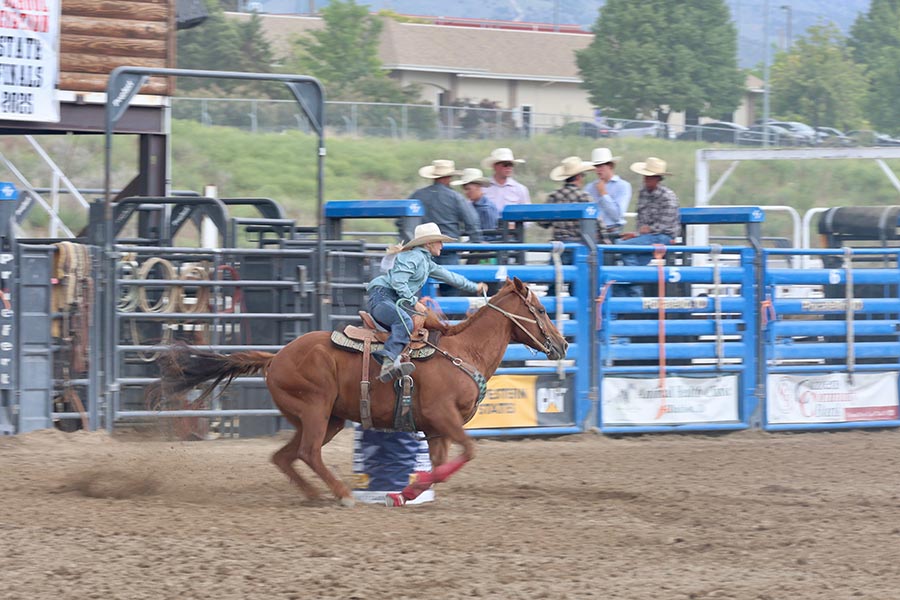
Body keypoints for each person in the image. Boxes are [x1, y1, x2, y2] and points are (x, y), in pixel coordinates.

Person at [366, 222, 489, 382]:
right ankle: (388, 361)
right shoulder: (414, 257)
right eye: (439, 241)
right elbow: (398, 282)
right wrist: (414, 302)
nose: (442, 245)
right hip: (382, 297)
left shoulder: (426, 263)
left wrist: (474, 287)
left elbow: (450, 277)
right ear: (429, 243)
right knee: (405, 323)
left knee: (420, 325)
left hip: (391, 299)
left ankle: (402, 360)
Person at [616, 156, 680, 296]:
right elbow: (641, 219)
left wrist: (646, 231)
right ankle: (630, 297)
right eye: (646, 176)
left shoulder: (668, 197)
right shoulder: (643, 193)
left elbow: (666, 224)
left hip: (664, 237)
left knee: (624, 248)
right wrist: (639, 233)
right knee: (630, 264)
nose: (646, 180)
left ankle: (635, 295)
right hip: (647, 237)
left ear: (657, 179)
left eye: (649, 177)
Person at [408, 159, 483, 267]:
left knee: (423, 279)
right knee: (450, 280)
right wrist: (477, 243)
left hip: (424, 248)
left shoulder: (417, 196)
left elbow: (403, 222)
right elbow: (471, 221)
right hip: (448, 248)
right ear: (448, 177)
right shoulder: (455, 197)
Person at [542, 155, 597, 242]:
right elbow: (597, 223)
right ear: (579, 177)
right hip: (578, 244)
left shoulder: (553, 196)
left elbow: (543, 223)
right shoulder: (584, 197)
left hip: (558, 244)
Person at [585, 147, 632, 239]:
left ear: (610, 166)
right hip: (593, 233)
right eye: (596, 166)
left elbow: (617, 216)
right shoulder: (589, 188)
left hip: (613, 232)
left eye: (601, 166)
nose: (598, 170)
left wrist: (603, 194)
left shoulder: (623, 186)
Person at [451, 168, 500, 241]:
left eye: (468, 189)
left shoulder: (487, 208)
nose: (466, 192)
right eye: (464, 189)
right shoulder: (471, 205)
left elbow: (489, 235)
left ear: (478, 187)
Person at [481, 147, 531, 214]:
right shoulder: (483, 188)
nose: (509, 167)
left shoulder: (520, 189)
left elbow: (527, 215)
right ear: (495, 166)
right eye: (505, 164)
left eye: (511, 164)